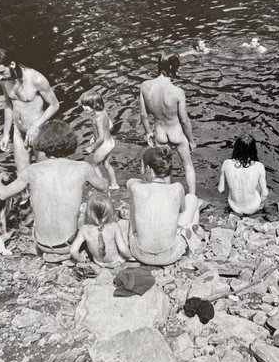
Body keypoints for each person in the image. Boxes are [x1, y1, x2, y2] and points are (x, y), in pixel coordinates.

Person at [0, 120, 108, 258]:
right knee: (87, 208)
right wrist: (99, 171)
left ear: (42, 143)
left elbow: (3, 194)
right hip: (68, 245)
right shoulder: (83, 168)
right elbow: (103, 188)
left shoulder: (32, 170)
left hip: (41, 244)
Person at [127, 146, 201, 266]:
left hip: (139, 253)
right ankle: (192, 244)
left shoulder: (135, 187)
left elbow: (131, 182)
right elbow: (182, 210)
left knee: (136, 210)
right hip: (170, 255)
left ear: (148, 169)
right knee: (192, 199)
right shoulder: (177, 188)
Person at [0, 48, 60, 174]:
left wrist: (35, 125)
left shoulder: (36, 79)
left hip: (38, 131)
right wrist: (5, 134)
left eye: (1, 72)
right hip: (19, 132)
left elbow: (54, 105)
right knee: (22, 176)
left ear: (12, 64)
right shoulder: (4, 80)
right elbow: (8, 104)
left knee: (44, 174)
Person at [139, 52, 197, 194]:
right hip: (176, 133)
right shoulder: (177, 92)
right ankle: (192, 196)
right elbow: (184, 120)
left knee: (163, 169)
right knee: (188, 165)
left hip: (160, 134)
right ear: (173, 67)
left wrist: (148, 132)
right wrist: (191, 140)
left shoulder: (145, 87)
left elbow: (143, 114)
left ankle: (167, 196)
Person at [69, 193, 133, 267]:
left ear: (89, 211)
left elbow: (73, 251)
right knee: (124, 223)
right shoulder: (114, 226)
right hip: (116, 261)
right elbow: (123, 249)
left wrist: (81, 259)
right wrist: (130, 257)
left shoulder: (84, 229)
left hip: (98, 262)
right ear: (110, 211)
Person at [218, 135, 269, 215]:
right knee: (258, 183)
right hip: (252, 208)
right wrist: (261, 203)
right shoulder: (259, 166)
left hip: (234, 207)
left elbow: (220, 189)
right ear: (253, 150)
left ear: (236, 148)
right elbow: (264, 193)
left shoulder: (226, 163)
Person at [80, 88, 119, 190]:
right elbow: (110, 126)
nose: (83, 107)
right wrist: (95, 136)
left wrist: (91, 148)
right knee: (106, 164)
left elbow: (101, 139)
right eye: (82, 105)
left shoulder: (97, 119)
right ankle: (114, 184)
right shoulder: (104, 113)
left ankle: (102, 187)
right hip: (110, 142)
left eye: (86, 105)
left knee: (94, 165)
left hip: (103, 145)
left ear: (94, 105)